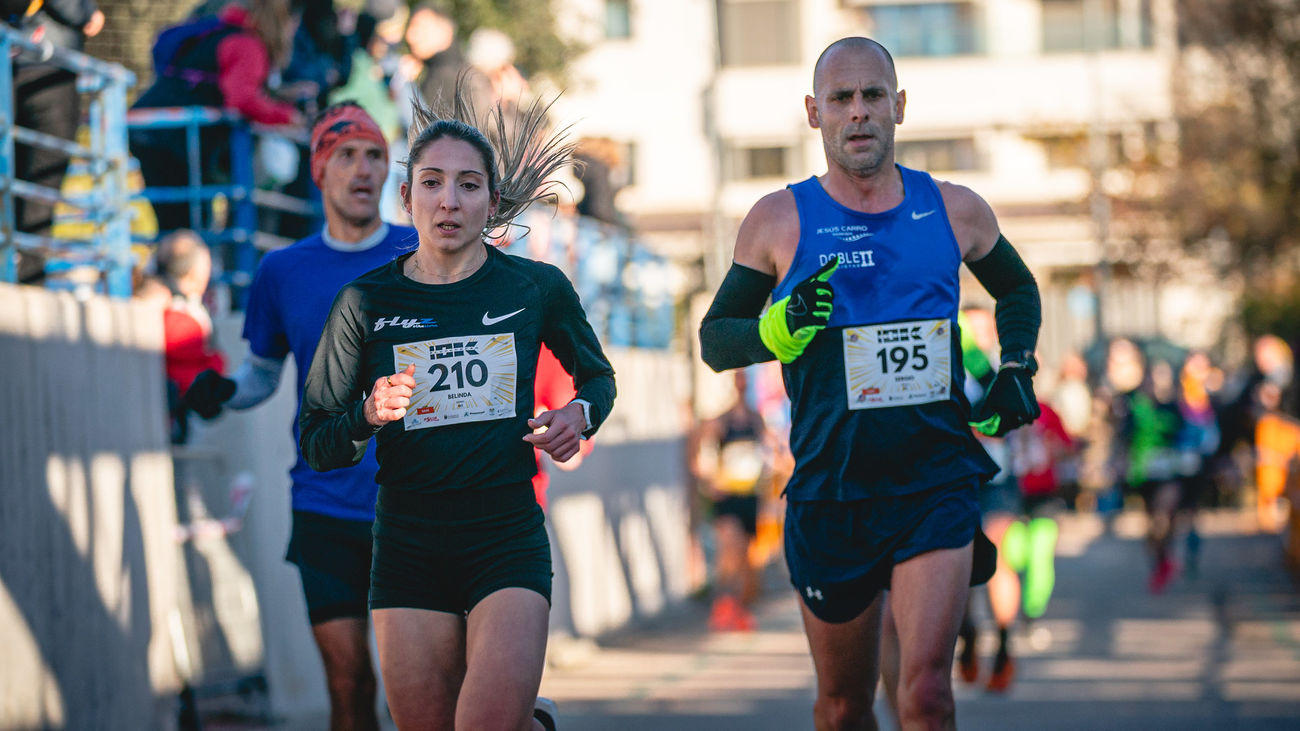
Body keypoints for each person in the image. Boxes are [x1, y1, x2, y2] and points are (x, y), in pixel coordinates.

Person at [698, 37, 1041, 729]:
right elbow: (715, 339)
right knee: (842, 706)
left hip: (934, 480)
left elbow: (1017, 288)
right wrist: (776, 329)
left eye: (873, 95)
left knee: (927, 694)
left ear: (899, 106)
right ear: (814, 113)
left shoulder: (954, 208)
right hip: (832, 490)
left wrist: (1016, 365)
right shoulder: (778, 219)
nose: (858, 112)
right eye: (841, 99)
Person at [297, 87, 615, 731]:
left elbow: (598, 378)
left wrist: (578, 414)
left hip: (504, 535)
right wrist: (367, 414)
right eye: (432, 183)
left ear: (491, 202)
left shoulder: (535, 286)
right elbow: (318, 440)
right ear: (406, 197)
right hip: (407, 544)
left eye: (468, 185)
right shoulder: (363, 301)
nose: (449, 201)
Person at [183, 102, 413, 731]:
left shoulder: (419, 249)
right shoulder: (281, 270)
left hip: (413, 501)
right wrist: (221, 392)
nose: (364, 169)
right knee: (347, 680)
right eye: (347, 155)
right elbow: (262, 375)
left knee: (416, 688)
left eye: (375, 155)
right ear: (319, 170)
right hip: (323, 500)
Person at [129, 0, 305, 233]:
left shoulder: (219, 32)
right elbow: (242, 98)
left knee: (178, 222)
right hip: (172, 136)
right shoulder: (247, 44)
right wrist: (287, 116)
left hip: (152, 127)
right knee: (188, 225)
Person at [8, 0, 104, 281]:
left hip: (12, 65)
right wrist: (87, 13)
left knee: (15, 186)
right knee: (39, 193)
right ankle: (27, 284)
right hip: (46, 69)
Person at [690, 368, 776, 632]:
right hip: (727, 496)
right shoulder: (722, 420)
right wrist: (707, 482)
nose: (741, 384)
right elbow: (696, 447)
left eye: (745, 380)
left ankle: (737, 608)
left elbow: (770, 451)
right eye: (738, 379)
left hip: (750, 495)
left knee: (747, 558)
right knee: (731, 551)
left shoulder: (756, 419)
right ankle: (722, 606)